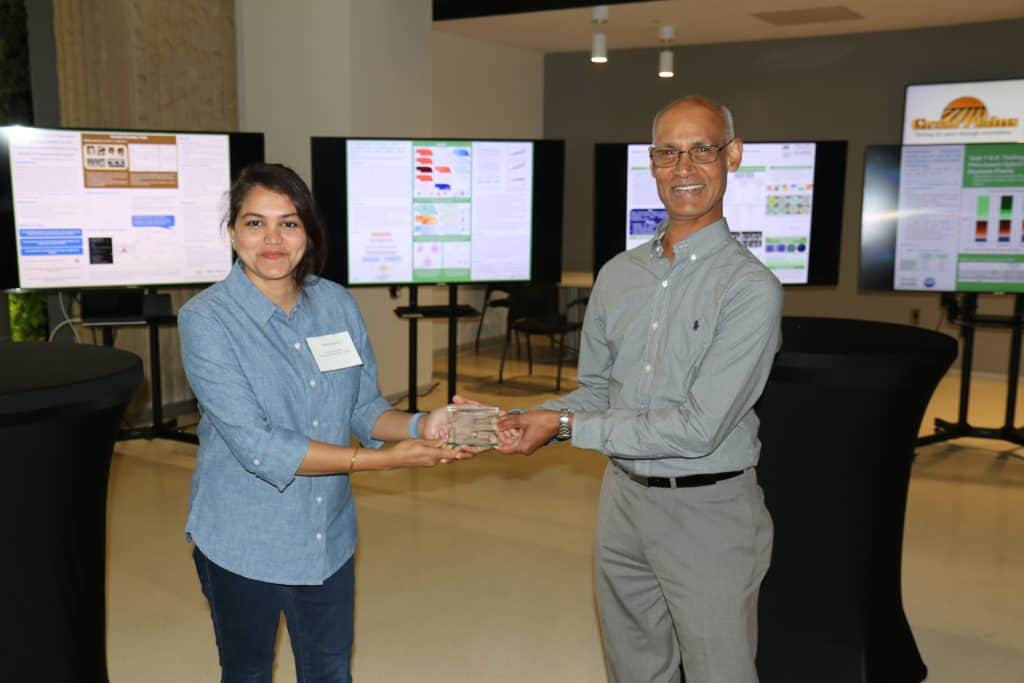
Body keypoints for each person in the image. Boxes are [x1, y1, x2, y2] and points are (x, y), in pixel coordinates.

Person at [497, 96, 782, 683]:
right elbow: (598, 392)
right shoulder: (619, 276)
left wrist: (566, 427)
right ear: (651, 164)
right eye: (668, 153)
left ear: (732, 156)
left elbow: (699, 427)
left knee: (719, 672)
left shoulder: (750, 289)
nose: (684, 169)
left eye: (702, 150)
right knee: (633, 668)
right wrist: (527, 415)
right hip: (623, 501)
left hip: (709, 511)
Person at [178, 163, 475, 682]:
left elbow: (363, 408)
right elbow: (257, 446)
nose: (272, 239)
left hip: (326, 536)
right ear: (232, 233)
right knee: (248, 673)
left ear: (308, 233)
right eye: (254, 223)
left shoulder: (336, 303)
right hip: (244, 539)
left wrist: (425, 424)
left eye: (288, 223)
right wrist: (379, 464)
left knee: (330, 670)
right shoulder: (207, 319)